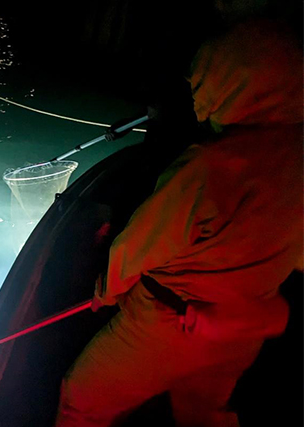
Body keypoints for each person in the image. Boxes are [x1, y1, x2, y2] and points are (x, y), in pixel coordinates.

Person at [55, 18, 303, 427]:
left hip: (170, 326)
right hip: (243, 330)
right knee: (205, 413)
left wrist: (106, 291)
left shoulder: (210, 168)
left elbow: (138, 245)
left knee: (81, 403)